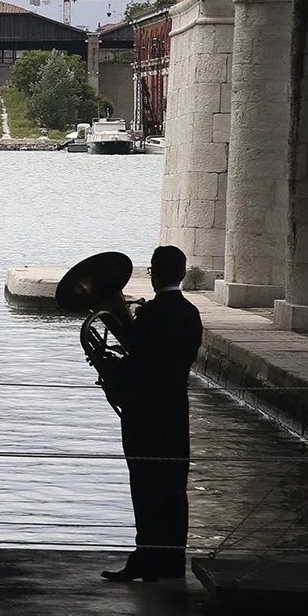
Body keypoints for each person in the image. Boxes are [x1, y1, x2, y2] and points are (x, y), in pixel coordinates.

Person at [102, 244, 204, 582]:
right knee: (174, 487)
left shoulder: (150, 315)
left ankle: (145, 559)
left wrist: (109, 369)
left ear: (153, 273)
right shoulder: (192, 315)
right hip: (176, 411)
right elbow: (166, 363)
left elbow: (140, 365)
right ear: (183, 274)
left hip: (145, 415)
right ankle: (173, 562)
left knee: (144, 486)